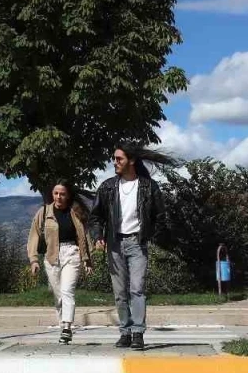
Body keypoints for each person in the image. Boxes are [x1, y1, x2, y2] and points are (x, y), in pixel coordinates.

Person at [90, 143, 173, 352]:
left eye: (119, 159)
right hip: (115, 243)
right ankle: (125, 332)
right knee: (120, 292)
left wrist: (150, 236)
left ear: (131, 161)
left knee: (137, 289)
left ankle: (138, 332)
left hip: (137, 243)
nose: (114, 162)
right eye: (114, 158)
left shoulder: (148, 186)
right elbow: (96, 216)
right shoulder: (108, 186)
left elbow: (160, 216)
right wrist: (98, 235)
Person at [27, 180, 92, 344]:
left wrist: (87, 259)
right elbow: (34, 235)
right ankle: (62, 324)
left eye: (62, 194)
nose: (59, 197)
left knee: (67, 290)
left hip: (71, 253)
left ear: (68, 195)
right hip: (51, 257)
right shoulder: (44, 212)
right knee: (58, 295)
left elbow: (84, 236)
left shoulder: (75, 211)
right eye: (56, 193)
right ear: (52, 195)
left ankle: (67, 328)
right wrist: (33, 260)